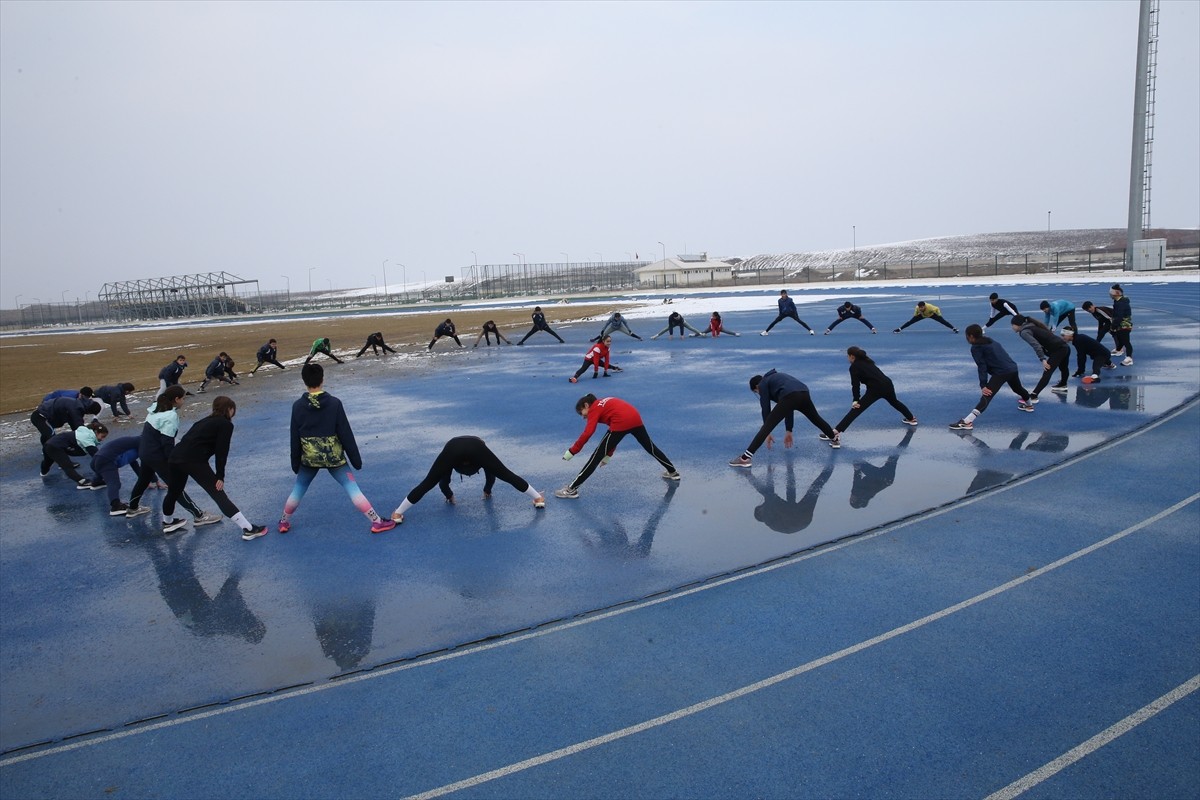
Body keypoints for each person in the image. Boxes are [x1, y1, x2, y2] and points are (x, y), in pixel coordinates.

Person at [277, 363, 396, 536]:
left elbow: (294, 438)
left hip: (309, 457)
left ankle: (283, 521)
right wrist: (356, 460)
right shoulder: (334, 403)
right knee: (351, 488)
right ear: (322, 379)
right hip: (334, 457)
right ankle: (376, 521)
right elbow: (345, 433)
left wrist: (295, 463)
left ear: (304, 381)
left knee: (299, 488)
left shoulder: (297, 406)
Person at [161, 396, 265, 539]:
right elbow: (222, 452)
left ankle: (167, 522)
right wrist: (220, 476)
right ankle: (248, 529)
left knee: (173, 492)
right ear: (230, 409)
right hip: (194, 461)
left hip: (175, 458)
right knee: (218, 493)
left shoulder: (203, 421)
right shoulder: (225, 425)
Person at [125, 386, 222, 526]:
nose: (184, 401)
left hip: (145, 452)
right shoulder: (170, 416)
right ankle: (198, 515)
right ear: (176, 399)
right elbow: (167, 443)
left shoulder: (154, 408)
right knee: (175, 486)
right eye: (183, 398)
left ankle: (132, 508)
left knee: (143, 479)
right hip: (158, 456)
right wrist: (174, 462)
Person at [391, 436, 545, 523]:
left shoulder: (449, 454)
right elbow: (493, 475)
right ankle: (538, 498)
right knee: (506, 474)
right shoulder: (481, 450)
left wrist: (449, 496)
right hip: (476, 448)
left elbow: (442, 482)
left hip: (452, 449)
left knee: (428, 482)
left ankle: (398, 513)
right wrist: (487, 490)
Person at [554, 394, 679, 498]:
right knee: (650, 447)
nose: (583, 417)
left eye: (581, 412)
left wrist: (572, 451)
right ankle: (673, 472)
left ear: (586, 405)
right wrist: (608, 456)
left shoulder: (594, 408)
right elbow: (613, 433)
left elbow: (588, 432)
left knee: (595, 457)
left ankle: (571, 489)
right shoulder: (604, 402)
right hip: (635, 418)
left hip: (621, 422)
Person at [729, 370, 840, 468]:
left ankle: (744, 458)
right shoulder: (776, 379)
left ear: (756, 387)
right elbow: (788, 407)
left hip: (790, 396)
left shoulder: (763, 384)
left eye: (756, 392)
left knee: (767, 426)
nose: (759, 393)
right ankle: (834, 438)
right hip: (804, 392)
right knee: (816, 418)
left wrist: (767, 430)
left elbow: (765, 408)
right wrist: (789, 430)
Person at [948, 324, 1034, 430]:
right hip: (1012, 368)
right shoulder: (991, 341)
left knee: (987, 395)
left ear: (970, 336)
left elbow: (981, 366)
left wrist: (983, 385)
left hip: (1001, 372)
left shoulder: (976, 347)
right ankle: (1029, 405)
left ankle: (967, 421)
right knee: (1017, 388)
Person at [831, 346, 918, 435]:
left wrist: (855, 400)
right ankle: (911, 418)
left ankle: (835, 432)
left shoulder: (854, 367)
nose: (847, 358)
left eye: (847, 356)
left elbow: (855, 385)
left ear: (852, 356)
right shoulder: (868, 361)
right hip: (887, 384)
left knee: (857, 409)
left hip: (875, 389)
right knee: (895, 402)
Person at [1011, 315, 1070, 401]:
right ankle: (1063, 385)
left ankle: (1034, 395)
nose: (1012, 327)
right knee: (1064, 368)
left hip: (1058, 350)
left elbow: (1036, 345)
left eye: (1012, 325)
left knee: (1047, 372)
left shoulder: (1024, 332)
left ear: (1017, 324)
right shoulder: (1031, 325)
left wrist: (1043, 359)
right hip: (1064, 347)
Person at [87, 435, 143, 516]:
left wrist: (145, 480)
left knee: (103, 472)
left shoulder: (134, 443)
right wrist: (152, 480)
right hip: (107, 461)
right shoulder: (141, 442)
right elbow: (146, 462)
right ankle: (115, 506)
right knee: (114, 483)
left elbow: (134, 463)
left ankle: (96, 483)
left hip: (96, 460)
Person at [40, 421, 107, 485]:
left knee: (47, 461)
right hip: (55, 446)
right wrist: (107, 471)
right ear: (96, 432)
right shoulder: (87, 438)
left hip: (50, 444)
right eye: (102, 436)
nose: (102, 439)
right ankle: (81, 481)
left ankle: (43, 472)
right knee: (67, 465)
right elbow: (97, 456)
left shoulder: (84, 433)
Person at [30, 388, 95, 443]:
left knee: (48, 430)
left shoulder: (78, 401)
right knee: (48, 431)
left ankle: (48, 445)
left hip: (57, 409)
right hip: (48, 408)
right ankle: (49, 448)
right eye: (86, 397)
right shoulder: (69, 397)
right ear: (81, 395)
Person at [894, 301, 958, 333]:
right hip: (922, 315)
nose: (920, 308)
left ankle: (954, 328)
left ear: (924, 306)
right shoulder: (917, 308)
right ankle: (899, 329)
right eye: (920, 308)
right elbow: (915, 315)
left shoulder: (930, 307)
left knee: (943, 321)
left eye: (922, 307)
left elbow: (937, 309)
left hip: (931, 314)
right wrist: (918, 315)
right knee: (910, 322)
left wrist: (939, 315)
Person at [1109, 284, 1134, 366]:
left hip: (1124, 325)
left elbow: (1119, 316)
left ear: (1116, 293)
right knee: (1119, 337)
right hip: (1121, 324)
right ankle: (1118, 350)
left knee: (1126, 341)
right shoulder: (1118, 301)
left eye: (1111, 293)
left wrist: (1113, 326)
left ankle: (1129, 358)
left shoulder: (1120, 303)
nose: (1110, 295)